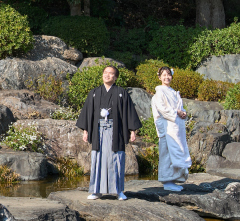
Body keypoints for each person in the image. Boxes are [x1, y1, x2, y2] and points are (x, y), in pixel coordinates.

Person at [77, 65, 141, 200]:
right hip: (98, 129)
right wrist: (85, 131)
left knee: (116, 158)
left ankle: (118, 191)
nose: (107, 75)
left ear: (116, 77)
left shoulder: (121, 92)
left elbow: (129, 112)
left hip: (115, 129)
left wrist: (132, 131)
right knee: (97, 159)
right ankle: (96, 190)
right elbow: (88, 113)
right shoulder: (94, 93)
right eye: (105, 73)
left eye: (111, 73)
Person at [151, 66, 191, 191]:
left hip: (176, 127)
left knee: (177, 151)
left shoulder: (173, 92)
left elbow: (179, 108)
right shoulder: (160, 92)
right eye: (164, 75)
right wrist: (177, 112)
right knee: (167, 153)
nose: (166, 77)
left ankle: (173, 179)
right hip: (167, 127)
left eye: (168, 74)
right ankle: (166, 180)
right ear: (159, 77)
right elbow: (163, 109)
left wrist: (183, 113)